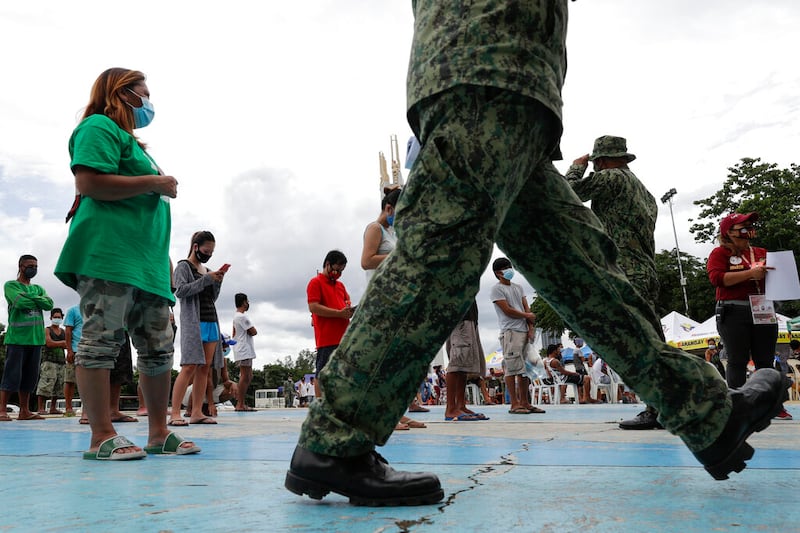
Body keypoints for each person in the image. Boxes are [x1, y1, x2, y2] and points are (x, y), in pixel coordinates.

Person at [285, 2, 788, 506]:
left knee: (585, 273)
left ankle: (705, 412)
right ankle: (336, 436)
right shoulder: (628, 182)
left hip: (519, 87)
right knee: (439, 254)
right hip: (487, 64)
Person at [54, 68, 197, 458]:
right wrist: (155, 183)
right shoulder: (98, 126)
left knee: (157, 347)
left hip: (146, 264)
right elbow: (90, 183)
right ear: (122, 94)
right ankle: (101, 435)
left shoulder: (137, 147)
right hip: (109, 256)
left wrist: (162, 267)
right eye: (143, 94)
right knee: (100, 341)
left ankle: (158, 432)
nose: (148, 103)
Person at [565, 135, 663, 429]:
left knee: (639, 344)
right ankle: (667, 405)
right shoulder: (643, 191)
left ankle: (656, 408)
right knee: (653, 341)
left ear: (601, 161)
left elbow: (567, 193)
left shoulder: (610, 178)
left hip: (626, 273)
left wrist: (575, 167)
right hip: (644, 271)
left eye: (595, 163)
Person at [708, 212, 791, 420]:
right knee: (737, 359)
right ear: (728, 232)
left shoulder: (762, 252)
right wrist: (749, 274)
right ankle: (737, 404)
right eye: (743, 228)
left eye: (750, 228)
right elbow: (717, 278)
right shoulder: (720, 253)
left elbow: (779, 278)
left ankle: (773, 405)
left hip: (763, 308)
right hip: (733, 309)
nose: (748, 232)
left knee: (765, 359)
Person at [361, 189, 426, 429]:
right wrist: (401, 255)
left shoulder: (392, 232)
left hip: (397, 301)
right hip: (380, 302)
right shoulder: (374, 229)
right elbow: (366, 261)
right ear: (389, 209)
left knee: (397, 361)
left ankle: (397, 411)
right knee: (384, 362)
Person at [170, 230, 226, 426]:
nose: (208, 254)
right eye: (206, 250)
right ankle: (175, 412)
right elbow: (181, 291)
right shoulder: (183, 267)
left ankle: (196, 412)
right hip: (194, 322)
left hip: (211, 321)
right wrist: (206, 279)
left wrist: (216, 281)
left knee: (205, 368)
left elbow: (212, 297)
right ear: (195, 247)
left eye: (211, 251)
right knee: (189, 367)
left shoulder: (206, 269)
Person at [1, 255, 54, 421]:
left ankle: (24, 411)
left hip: (36, 339)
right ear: (21, 266)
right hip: (17, 339)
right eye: (30, 265)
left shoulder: (37, 288)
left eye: (36, 266)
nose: (34, 269)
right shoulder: (10, 285)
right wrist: (39, 301)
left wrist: (31, 298)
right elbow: (19, 303)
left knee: (30, 377)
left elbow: (49, 304)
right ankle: (2, 410)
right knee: (12, 375)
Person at [489, 257, 541, 414]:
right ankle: (514, 403)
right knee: (512, 369)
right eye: (505, 268)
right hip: (510, 332)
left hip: (524, 331)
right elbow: (508, 310)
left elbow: (527, 308)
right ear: (498, 273)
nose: (509, 269)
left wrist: (530, 327)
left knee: (525, 369)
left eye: (509, 266)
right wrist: (527, 316)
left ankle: (525, 402)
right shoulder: (496, 289)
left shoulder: (518, 287)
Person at [307, 250, 354, 397]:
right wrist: (338, 313)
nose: (338, 274)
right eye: (336, 269)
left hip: (344, 337)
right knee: (322, 374)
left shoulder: (340, 286)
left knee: (344, 374)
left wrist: (348, 312)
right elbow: (313, 307)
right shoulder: (315, 282)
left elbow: (346, 303)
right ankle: (320, 407)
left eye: (341, 271)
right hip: (327, 338)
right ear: (327, 264)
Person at [444, 301, 491, 421]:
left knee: (464, 364)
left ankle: (460, 405)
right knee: (456, 362)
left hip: (470, 318)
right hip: (461, 318)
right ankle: (450, 408)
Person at [36, 308, 67, 415]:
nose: (57, 319)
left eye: (59, 317)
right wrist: (62, 343)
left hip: (61, 361)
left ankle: (53, 407)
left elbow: (68, 344)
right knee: (46, 383)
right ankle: (40, 407)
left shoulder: (63, 331)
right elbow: (49, 343)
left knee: (58, 385)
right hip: (48, 361)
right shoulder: (47, 330)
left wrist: (61, 343)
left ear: (62, 318)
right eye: (55, 317)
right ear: (51, 318)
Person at [231, 293, 257, 411]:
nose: (248, 304)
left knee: (248, 376)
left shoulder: (236, 317)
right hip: (244, 350)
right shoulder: (242, 317)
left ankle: (241, 402)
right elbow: (253, 331)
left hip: (241, 349)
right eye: (247, 301)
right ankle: (240, 404)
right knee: (245, 376)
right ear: (243, 302)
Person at [63, 304, 82, 417]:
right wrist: (69, 350)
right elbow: (68, 331)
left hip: (92, 349)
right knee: (70, 380)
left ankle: (89, 408)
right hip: (75, 349)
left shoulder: (97, 310)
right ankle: (68, 407)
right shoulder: (73, 310)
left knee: (91, 381)